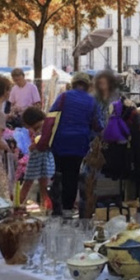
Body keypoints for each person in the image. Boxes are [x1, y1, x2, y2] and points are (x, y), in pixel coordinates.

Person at [49, 72, 99, 215]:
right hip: (79, 144)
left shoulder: (64, 96)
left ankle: (56, 209)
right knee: (72, 175)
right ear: (88, 85)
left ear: (73, 83)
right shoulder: (91, 101)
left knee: (59, 174)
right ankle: (68, 209)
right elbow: (97, 124)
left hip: (60, 141)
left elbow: (52, 114)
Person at [20, 107, 54, 210]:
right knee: (44, 186)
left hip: (37, 156)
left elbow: (40, 141)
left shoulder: (41, 126)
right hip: (46, 156)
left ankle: (17, 206)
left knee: (27, 183)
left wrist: (34, 146)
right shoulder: (47, 124)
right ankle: (46, 208)